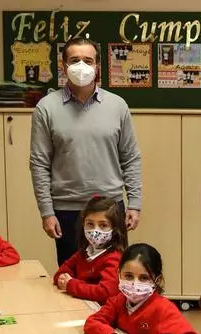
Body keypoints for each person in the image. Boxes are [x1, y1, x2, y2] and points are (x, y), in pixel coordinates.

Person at [31, 37, 143, 265]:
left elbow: (130, 157)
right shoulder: (46, 108)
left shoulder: (117, 105)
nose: (81, 66)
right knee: (71, 277)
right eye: (74, 60)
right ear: (64, 67)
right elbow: (39, 164)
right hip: (67, 210)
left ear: (97, 66)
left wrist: (134, 202)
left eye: (88, 60)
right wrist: (47, 212)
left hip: (111, 208)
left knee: (112, 275)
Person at [82, 243, 201, 334]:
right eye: (128, 276)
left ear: (157, 280)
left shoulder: (163, 308)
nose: (135, 284)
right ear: (119, 273)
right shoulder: (119, 300)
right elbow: (93, 322)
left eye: (144, 278)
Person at [53, 196, 127, 304]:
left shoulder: (115, 258)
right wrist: (64, 280)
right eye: (90, 224)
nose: (95, 231)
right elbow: (61, 273)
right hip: (81, 303)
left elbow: (106, 292)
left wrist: (71, 284)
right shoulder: (84, 252)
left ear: (115, 229)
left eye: (103, 225)